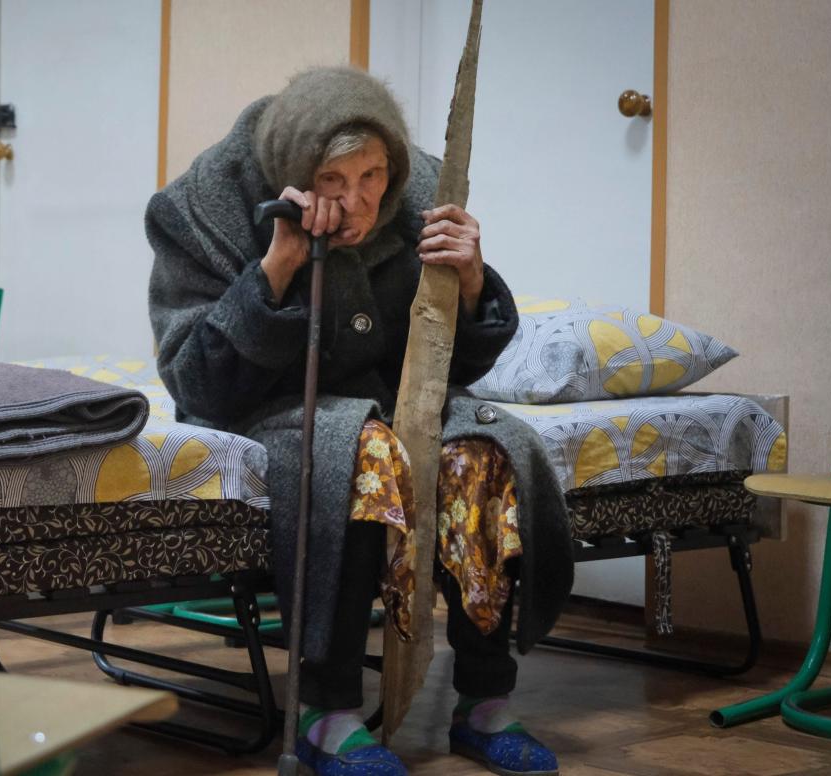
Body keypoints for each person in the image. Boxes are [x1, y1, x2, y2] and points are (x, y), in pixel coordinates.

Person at [147, 66, 573, 776]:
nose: (356, 201)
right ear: (292, 172)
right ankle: (328, 714)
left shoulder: (420, 193)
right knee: (358, 452)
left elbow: (453, 367)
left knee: (487, 451)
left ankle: (484, 703)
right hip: (271, 404)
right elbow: (200, 384)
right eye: (332, 182)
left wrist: (470, 284)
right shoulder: (201, 207)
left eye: (371, 175)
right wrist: (276, 270)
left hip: (395, 392)